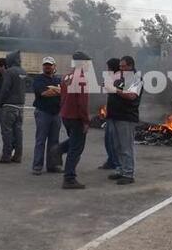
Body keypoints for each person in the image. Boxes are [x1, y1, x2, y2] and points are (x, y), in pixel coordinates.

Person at [54, 51, 92, 189]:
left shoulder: (66, 76)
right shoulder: (81, 78)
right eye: (87, 62)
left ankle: (58, 149)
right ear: (81, 63)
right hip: (76, 117)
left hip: (66, 115)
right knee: (76, 148)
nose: (89, 65)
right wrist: (86, 121)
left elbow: (63, 96)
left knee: (74, 142)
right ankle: (69, 178)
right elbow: (82, 103)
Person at [105, 56, 143, 185]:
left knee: (126, 147)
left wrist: (115, 90)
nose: (120, 68)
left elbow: (132, 96)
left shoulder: (136, 79)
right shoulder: (119, 78)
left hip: (126, 117)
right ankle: (120, 170)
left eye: (123, 66)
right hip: (114, 116)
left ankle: (128, 173)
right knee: (117, 146)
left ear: (130, 66)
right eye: (120, 66)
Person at [31, 56, 63, 175]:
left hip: (56, 113)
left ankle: (52, 165)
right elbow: (44, 93)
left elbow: (64, 93)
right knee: (41, 140)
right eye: (45, 65)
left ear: (54, 66)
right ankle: (37, 166)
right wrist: (57, 90)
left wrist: (54, 89)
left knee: (54, 141)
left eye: (49, 65)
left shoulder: (58, 80)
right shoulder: (39, 79)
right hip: (43, 113)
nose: (47, 67)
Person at [0, 51, 27, 164]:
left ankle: (6, 156)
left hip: (9, 106)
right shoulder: (23, 72)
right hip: (20, 106)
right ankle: (18, 156)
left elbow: (5, 88)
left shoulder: (9, 72)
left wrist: (0, 103)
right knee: (18, 132)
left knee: (7, 132)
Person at [100, 57, 122, 171]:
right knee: (108, 139)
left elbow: (120, 92)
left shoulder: (120, 77)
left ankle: (117, 164)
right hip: (111, 112)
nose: (107, 69)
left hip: (117, 114)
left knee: (114, 140)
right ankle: (111, 161)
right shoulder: (113, 77)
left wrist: (109, 86)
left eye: (108, 67)